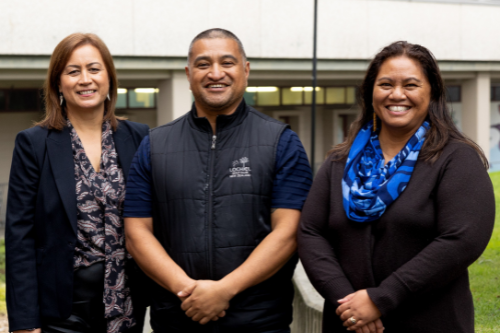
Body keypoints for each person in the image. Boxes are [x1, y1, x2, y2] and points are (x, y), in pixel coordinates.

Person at [297, 41, 495, 333]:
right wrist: (349, 304)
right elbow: (310, 233)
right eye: (386, 84)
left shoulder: (456, 159)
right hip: (348, 323)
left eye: (411, 84)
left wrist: (381, 299)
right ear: (371, 92)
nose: (397, 94)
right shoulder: (340, 162)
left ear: (433, 93)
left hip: (429, 322)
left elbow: (461, 239)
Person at [124, 28, 313, 333]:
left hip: (259, 322)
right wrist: (187, 290)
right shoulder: (154, 144)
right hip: (176, 318)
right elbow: (136, 233)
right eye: (203, 64)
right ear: (188, 73)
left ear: (245, 70)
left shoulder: (281, 141)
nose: (215, 73)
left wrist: (224, 290)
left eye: (227, 63)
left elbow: (289, 233)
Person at [6, 33, 149, 333]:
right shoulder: (34, 144)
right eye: (73, 71)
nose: (85, 79)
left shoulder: (139, 137)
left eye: (94, 69)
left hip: (126, 303)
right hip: (62, 308)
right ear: (58, 82)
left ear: (109, 77)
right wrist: (24, 322)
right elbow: (20, 235)